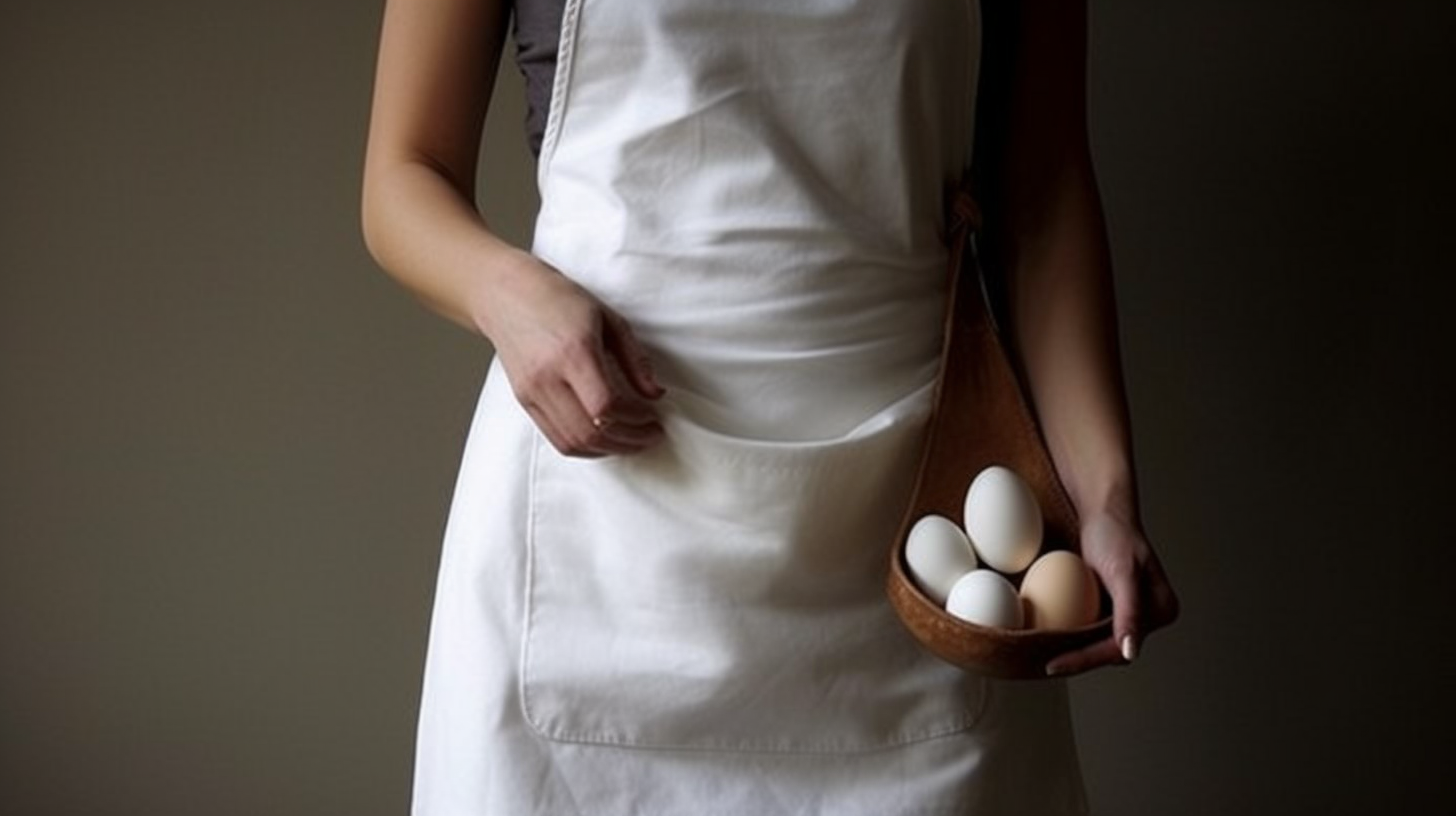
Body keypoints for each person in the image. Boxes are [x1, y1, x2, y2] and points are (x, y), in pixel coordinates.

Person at [361, 0, 1179, 813]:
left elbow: (1041, 192)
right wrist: (505, 293)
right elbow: (405, 171)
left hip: (919, 529)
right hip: (600, 517)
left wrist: (1103, 495)